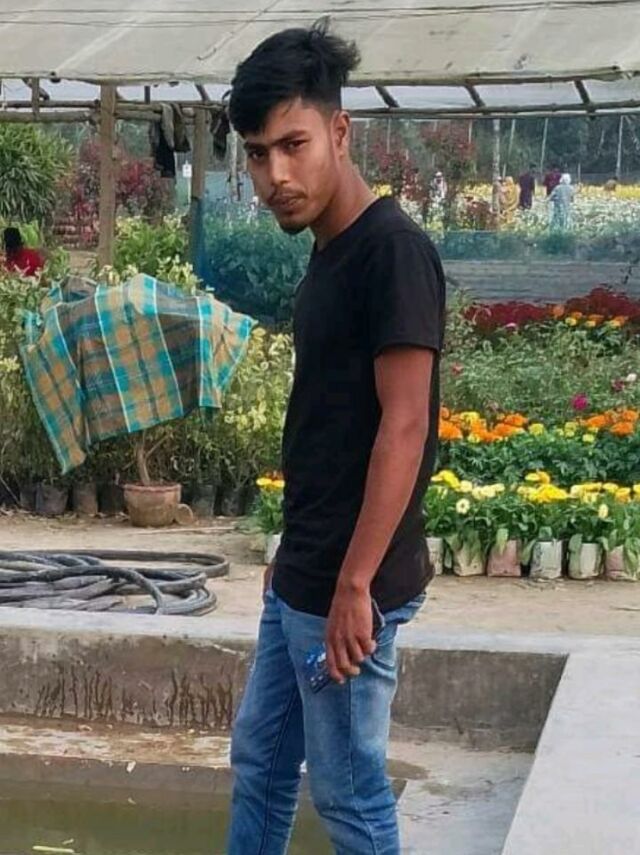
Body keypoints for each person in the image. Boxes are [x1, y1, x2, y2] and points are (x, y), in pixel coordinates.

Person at [226, 24, 445, 855]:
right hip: (308, 572)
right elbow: (331, 426)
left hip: (350, 588)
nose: (276, 177)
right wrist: (294, 554)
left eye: (294, 145)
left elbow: (405, 424)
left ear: (340, 132)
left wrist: (355, 584)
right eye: (258, 155)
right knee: (261, 761)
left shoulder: (393, 253)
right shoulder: (331, 252)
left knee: (349, 792)